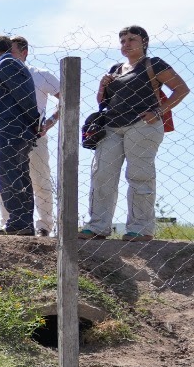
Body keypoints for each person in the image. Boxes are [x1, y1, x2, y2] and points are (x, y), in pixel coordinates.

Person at [81, 25, 188, 239]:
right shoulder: (115, 68)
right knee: (102, 174)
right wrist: (102, 86)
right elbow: (103, 101)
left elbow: (181, 89)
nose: (126, 44)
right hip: (111, 126)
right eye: (122, 41)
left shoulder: (153, 64)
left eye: (131, 39)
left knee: (139, 176)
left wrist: (158, 111)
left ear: (144, 43)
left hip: (142, 125)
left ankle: (140, 229)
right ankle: (97, 226)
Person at [0, 35, 41, 235]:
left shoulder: (6, 64)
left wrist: (33, 123)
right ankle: (21, 223)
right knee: (17, 176)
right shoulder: (9, 65)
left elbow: (24, 97)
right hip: (14, 131)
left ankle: (19, 223)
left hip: (11, 132)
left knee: (9, 175)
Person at [11, 37, 60, 235]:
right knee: (7, 180)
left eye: (12, 51)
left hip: (35, 134)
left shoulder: (41, 75)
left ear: (24, 52)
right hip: (9, 136)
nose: (7, 55)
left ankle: (44, 227)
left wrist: (50, 122)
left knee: (40, 180)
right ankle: (9, 223)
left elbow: (68, 97)